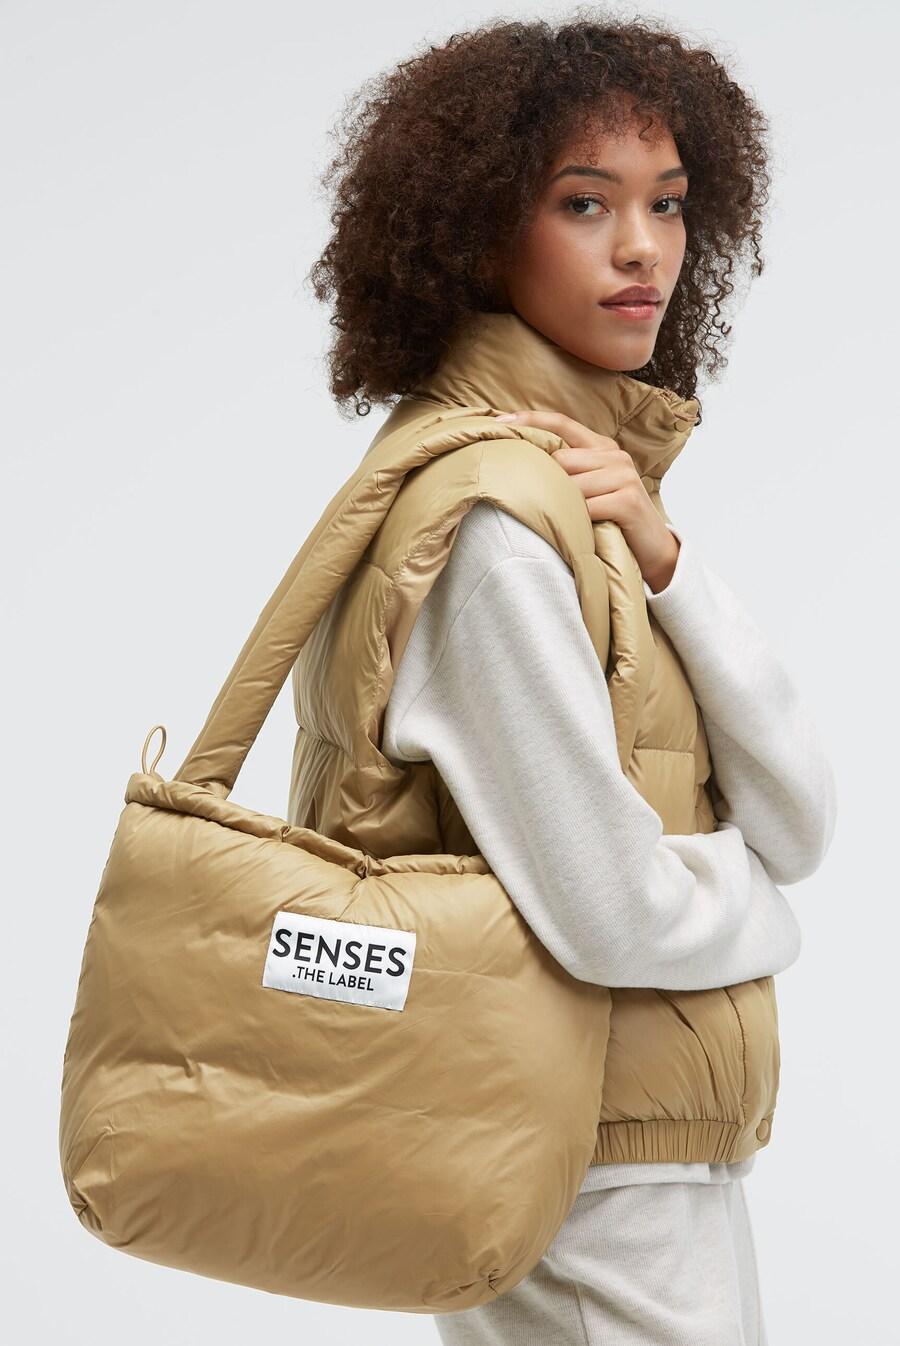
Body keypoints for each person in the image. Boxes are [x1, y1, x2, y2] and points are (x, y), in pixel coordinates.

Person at [303, 14, 837, 1345]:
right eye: (585, 203)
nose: (643, 246)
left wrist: (670, 566)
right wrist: (766, 913)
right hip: (590, 1179)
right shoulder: (493, 526)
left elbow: (802, 816)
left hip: (632, 1150)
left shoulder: (583, 504)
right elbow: (614, 911)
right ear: (480, 232)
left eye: (669, 202)